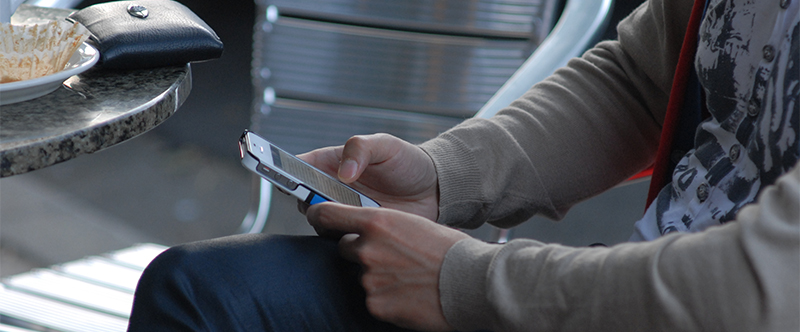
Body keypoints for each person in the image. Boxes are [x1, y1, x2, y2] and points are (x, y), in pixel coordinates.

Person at [127, 0, 799, 330]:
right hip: (627, 284)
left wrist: (465, 283)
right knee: (201, 294)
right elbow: (641, 77)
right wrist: (448, 177)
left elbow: (757, 289)